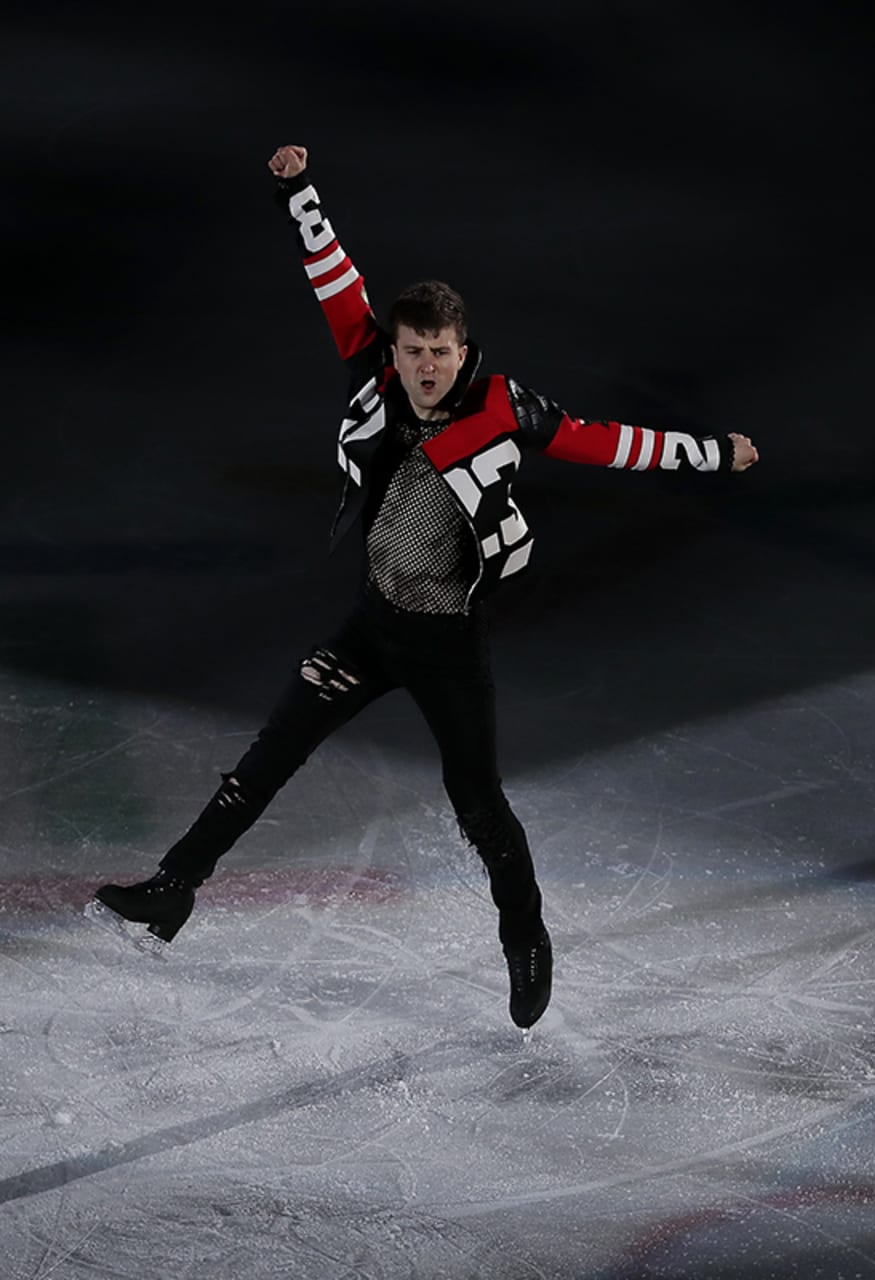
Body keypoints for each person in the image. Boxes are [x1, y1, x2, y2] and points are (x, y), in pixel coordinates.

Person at [92, 144, 759, 1031]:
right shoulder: (374, 372)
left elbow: (605, 440)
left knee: (477, 803)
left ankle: (526, 937)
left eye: (440, 351)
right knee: (267, 756)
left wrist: (712, 452)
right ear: (397, 351)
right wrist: (299, 189)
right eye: (413, 352)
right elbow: (333, 276)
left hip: (446, 642)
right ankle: (173, 890)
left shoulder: (503, 407)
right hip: (370, 627)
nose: (426, 366)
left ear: (462, 347)